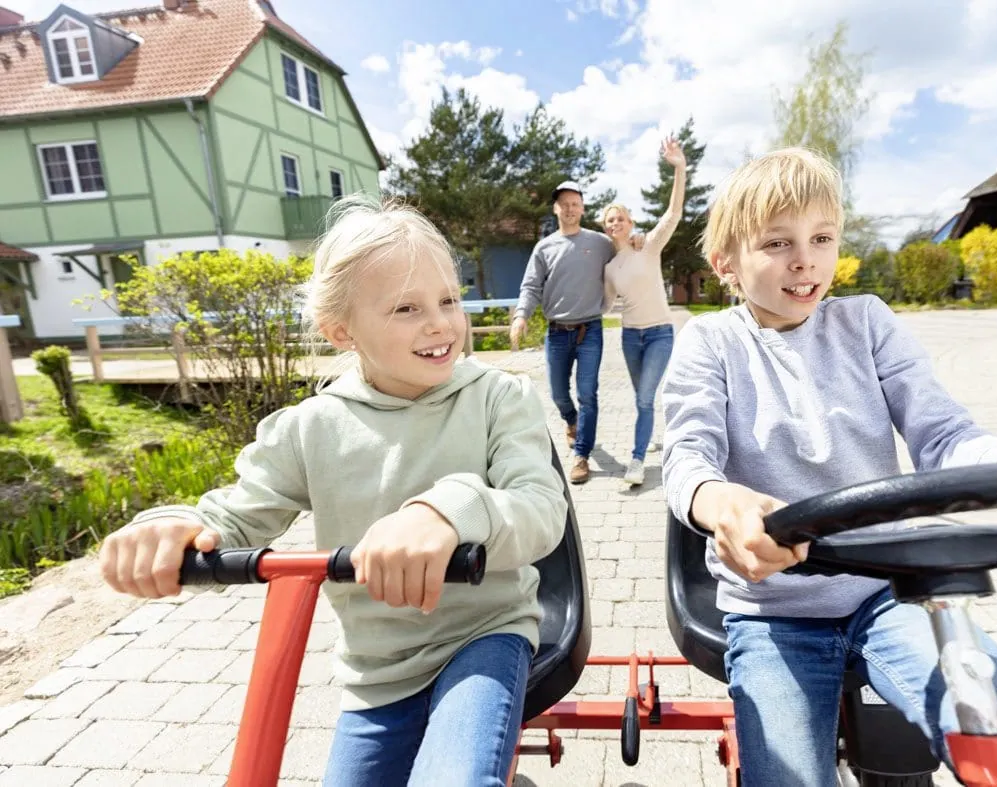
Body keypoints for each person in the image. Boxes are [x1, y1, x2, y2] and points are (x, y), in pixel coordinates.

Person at [660, 147, 997, 786]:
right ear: (726, 265)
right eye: (777, 242)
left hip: (889, 591)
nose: (806, 260)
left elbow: (947, 433)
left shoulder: (867, 323)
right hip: (775, 609)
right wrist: (727, 505)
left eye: (822, 238)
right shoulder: (710, 343)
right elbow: (689, 458)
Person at [98, 195, 568, 787]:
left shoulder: (500, 398)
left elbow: (540, 508)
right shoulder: (310, 427)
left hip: (484, 633)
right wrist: (173, 526)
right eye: (406, 308)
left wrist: (449, 511)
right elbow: (237, 514)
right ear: (341, 330)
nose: (441, 323)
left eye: (449, 299)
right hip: (377, 668)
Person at [510, 181, 642, 484]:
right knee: (558, 394)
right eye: (564, 204)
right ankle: (570, 421)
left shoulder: (599, 243)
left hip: (590, 330)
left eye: (575, 203)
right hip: (556, 332)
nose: (569, 209)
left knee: (588, 395)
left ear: (582, 208)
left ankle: (581, 455)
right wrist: (521, 316)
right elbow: (530, 286)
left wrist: (638, 239)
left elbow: (624, 248)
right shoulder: (544, 247)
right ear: (556, 208)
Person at [601, 135, 685, 487]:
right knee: (643, 399)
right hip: (630, 337)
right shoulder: (609, 268)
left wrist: (679, 167)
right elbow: (604, 305)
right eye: (609, 219)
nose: (615, 222)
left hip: (660, 334)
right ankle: (650, 435)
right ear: (605, 228)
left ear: (630, 222)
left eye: (620, 217)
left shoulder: (648, 246)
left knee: (645, 397)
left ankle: (636, 463)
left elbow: (674, 212)